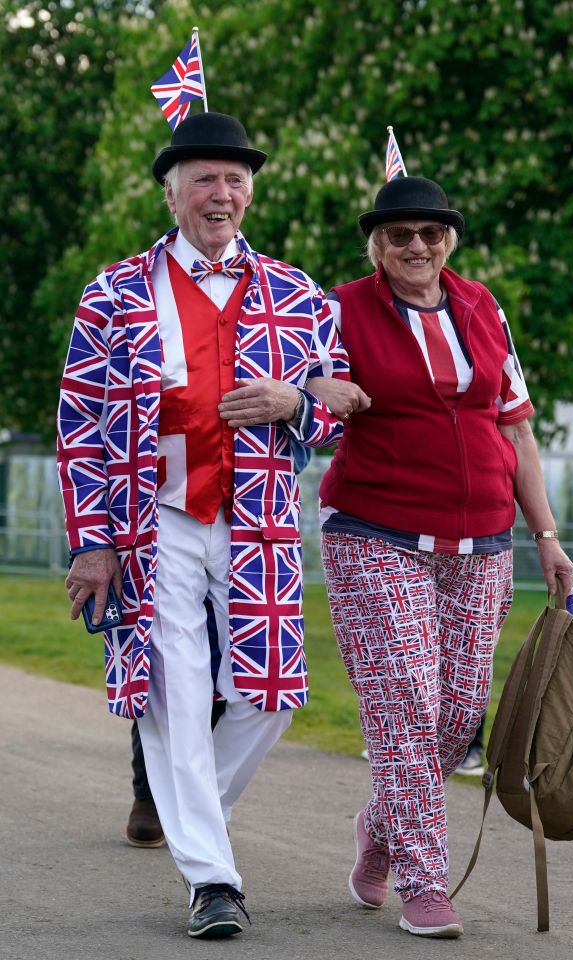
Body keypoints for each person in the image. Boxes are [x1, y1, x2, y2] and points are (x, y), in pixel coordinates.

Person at [58, 111, 367, 940]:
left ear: (250, 192)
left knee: (270, 696)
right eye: (203, 179)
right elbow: (81, 422)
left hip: (258, 520)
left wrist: (297, 400)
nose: (220, 193)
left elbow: (339, 414)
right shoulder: (116, 291)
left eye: (234, 179)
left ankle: (194, 822)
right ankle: (213, 880)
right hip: (152, 523)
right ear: (172, 193)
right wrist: (91, 540)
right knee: (175, 696)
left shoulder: (299, 296)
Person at [313, 175, 573, 939]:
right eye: (400, 235)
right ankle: (425, 884)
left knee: (457, 719)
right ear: (377, 245)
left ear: (449, 240)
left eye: (431, 233)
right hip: (374, 531)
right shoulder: (340, 307)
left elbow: (518, 428)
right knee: (406, 704)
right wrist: (319, 387)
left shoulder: (483, 307)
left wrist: (547, 535)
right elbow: (307, 392)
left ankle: (380, 823)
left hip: (484, 536)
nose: (417, 246)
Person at [125, 445, 313, 849]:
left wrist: (304, 399)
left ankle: (197, 806)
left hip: (256, 501)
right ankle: (151, 794)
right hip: (174, 498)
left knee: (262, 682)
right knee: (173, 670)